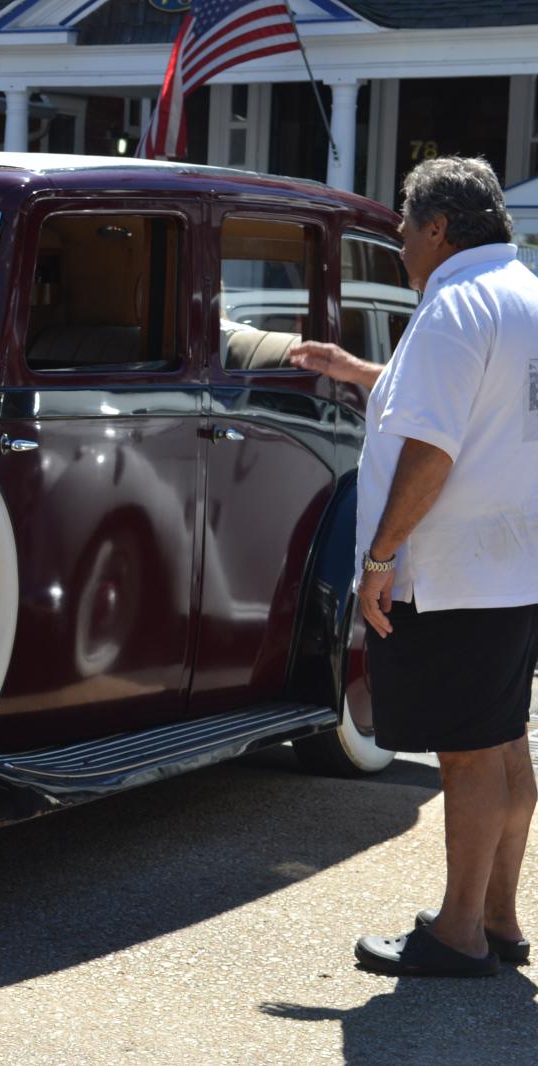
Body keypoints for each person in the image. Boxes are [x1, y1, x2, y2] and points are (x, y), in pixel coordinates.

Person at [299, 157, 538, 978]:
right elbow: (473, 405)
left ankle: (459, 932)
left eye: (404, 226)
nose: (399, 243)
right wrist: (361, 372)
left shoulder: (453, 305)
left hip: (451, 571)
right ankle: (499, 920)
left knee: (468, 755)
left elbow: (433, 447)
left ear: (438, 228)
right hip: (511, 565)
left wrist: (378, 556)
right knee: (504, 742)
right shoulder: (523, 292)